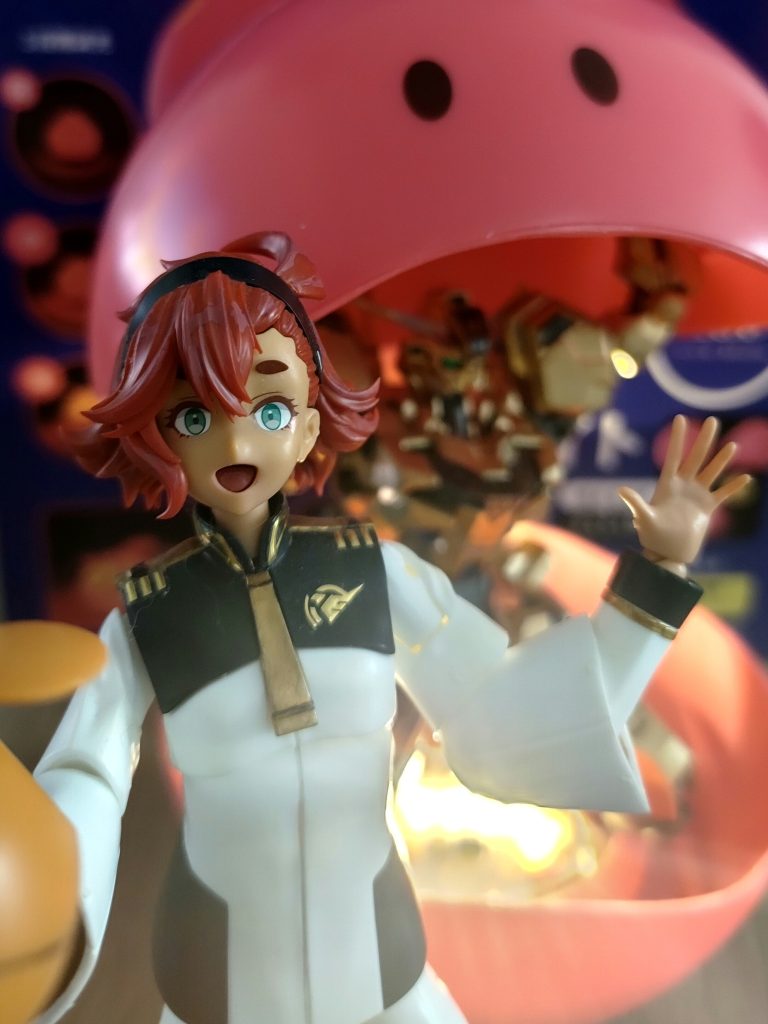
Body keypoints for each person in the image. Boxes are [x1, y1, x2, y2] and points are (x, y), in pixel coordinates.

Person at [33, 231, 748, 1024]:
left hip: (383, 963)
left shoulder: (375, 571)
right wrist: (29, 910)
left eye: (269, 408)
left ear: (310, 426)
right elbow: (87, 774)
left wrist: (655, 576)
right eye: (194, 414)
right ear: (156, 436)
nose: (237, 442)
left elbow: (496, 709)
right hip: (221, 978)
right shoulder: (149, 613)